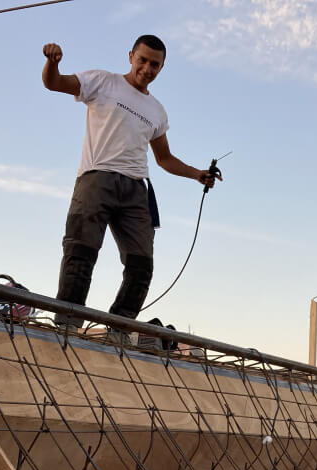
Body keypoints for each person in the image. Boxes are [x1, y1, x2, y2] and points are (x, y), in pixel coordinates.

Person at [41, 35, 220, 323]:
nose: (147, 69)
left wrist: (197, 174)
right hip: (97, 178)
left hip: (136, 190)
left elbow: (164, 158)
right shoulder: (103, 81)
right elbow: (54, 83)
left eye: (155, 65)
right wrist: (52, 62)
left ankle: (119, 330)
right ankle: (67, 326)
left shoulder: (157, 111)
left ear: (161, 68)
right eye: (143, 60)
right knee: (81, 252)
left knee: (141, 266)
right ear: (131, 57)